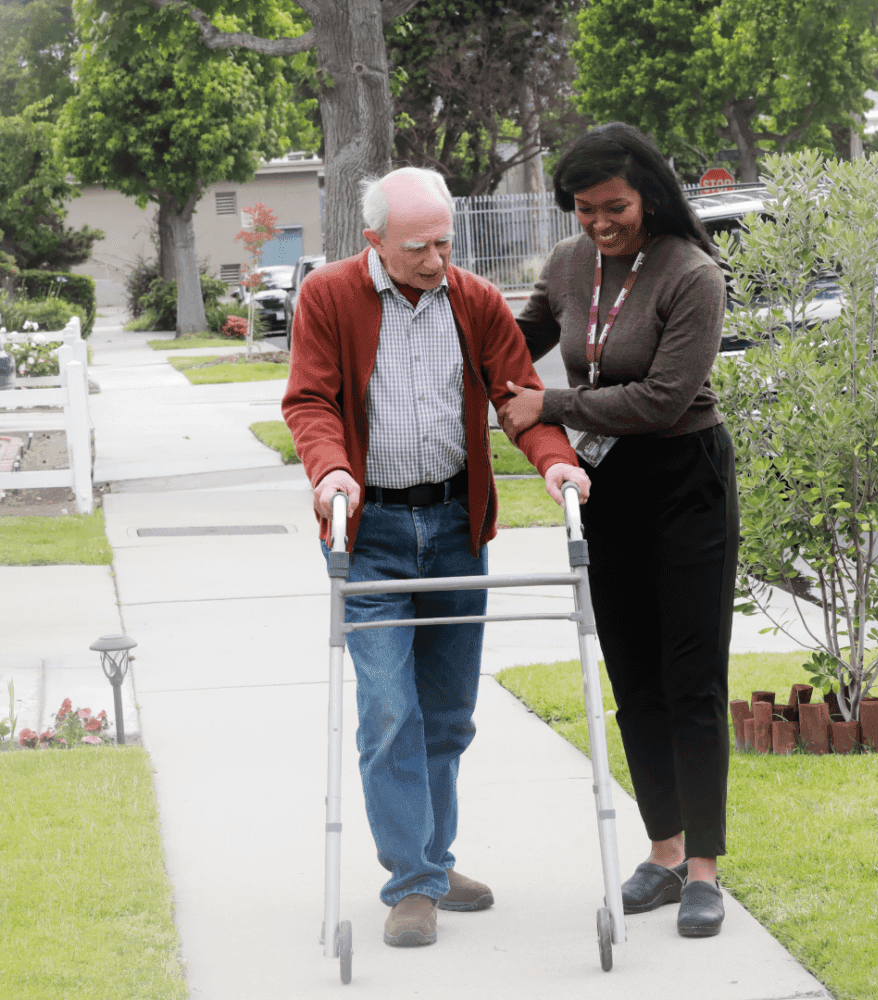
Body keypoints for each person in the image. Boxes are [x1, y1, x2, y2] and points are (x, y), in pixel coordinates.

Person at [282, 166, 590, 949]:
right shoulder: (328, 297)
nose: (434, 260)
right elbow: (310, 400)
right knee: (390, 711)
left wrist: (554, 459)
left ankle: (431, 857)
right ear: (374, 242)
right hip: (372, 534)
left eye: (444, 243)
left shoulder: (475, 300)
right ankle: (411, 883)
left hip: (454, 526)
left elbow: (518, 395)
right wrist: (332, 470)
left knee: (448, 716)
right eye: (417, 247)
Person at [497, 123, 739, 938]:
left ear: (651, 196)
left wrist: (553, 405)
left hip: (684, 478)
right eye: (583, 210)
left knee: (690, 675)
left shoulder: (692, 273)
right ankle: (663, 853)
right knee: (633, 673)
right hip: (607, 487)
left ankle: (704, 868)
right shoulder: (570, 264)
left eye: (614, 208)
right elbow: (520, 342)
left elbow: (664, 399)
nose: (599, 224)